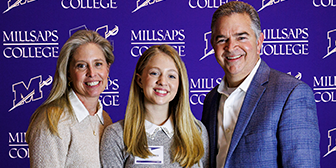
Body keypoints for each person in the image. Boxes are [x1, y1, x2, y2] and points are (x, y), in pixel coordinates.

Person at [201, 1, 320, 168]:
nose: (231, 47)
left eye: (241, 37)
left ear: (259, 42)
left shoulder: (292, 94)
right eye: (222, 39)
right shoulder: (211, 100)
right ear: (213, 45)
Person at [100, 44, 209, 167]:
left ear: (179, 83)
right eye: (154, 73)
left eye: (171, 76)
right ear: (139, 80)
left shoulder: (197, 131)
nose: (162, 81)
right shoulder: (117, 135)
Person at [26, 30, 114, 167]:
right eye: (81, 66)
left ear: (107, 69)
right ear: (68, 72)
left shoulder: (104, 119)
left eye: (98, 64)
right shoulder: (52, 121)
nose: (92, 73)